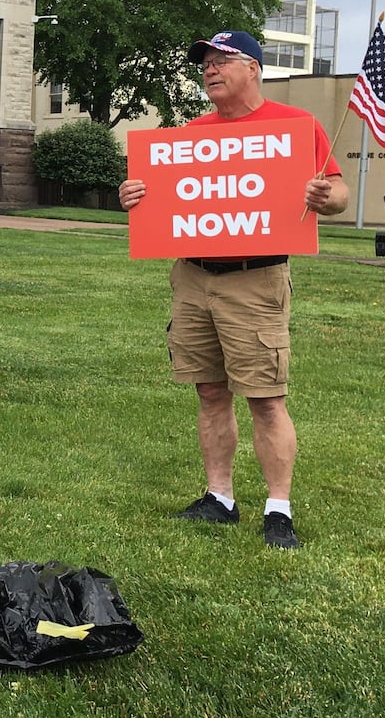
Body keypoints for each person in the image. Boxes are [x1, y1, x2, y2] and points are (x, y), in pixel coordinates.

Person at [117, 29, 348, 550]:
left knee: (266, 398)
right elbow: (164, 199)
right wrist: (134, 195)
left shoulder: (295, 126)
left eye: (223, 60)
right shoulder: (187, 136)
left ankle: (278, 509)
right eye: (205, 62)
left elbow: (338, 192)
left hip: (256, 278)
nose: (210, 69)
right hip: (193, 276)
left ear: (254, 69)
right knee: (209, 390)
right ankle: (219, 498)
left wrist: (325, 196)